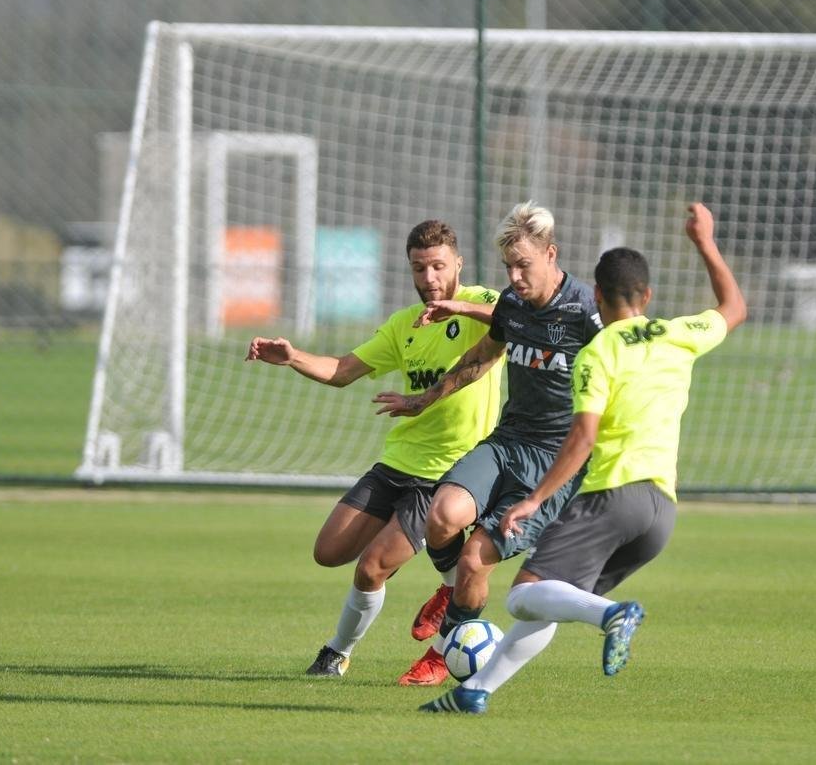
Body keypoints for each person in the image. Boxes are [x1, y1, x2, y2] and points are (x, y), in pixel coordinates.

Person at [418, 202, 747, 714]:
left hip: (609, 495)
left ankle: (613, 615)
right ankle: (472, 693)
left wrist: (537, 500)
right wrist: (705, 241)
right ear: (648, 296)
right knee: (551, 602)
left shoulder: (597, 349)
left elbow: (582, 438)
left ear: (594, 295)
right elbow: (734, 309)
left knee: (525, 595)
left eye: (523, 264)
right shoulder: (679, 333)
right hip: (662, 510)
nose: (515, 276)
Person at [244, 219, 502, 680]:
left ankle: (336, 653)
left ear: (458, 263)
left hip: (445, 473)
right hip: (397, 463)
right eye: (419, 269)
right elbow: (343, 370)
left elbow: (514, 318)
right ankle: (445, 577)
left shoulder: (481, 304)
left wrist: (456, 307)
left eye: (438, 266)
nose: (429, 279)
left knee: (371, 569)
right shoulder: (403, 325)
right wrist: (293, 357)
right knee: (328, 551)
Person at [374, 201, 604, 686]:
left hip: (554, 460)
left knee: (477, 554)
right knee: (441, 516)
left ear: (551, 254)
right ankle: (451, 591)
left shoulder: (586, 311)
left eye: (524, 265)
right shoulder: (513, 305)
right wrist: (424, 399)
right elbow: (484, 353)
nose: (516, 277)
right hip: (507, 441)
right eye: (508, 267)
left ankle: (442, 654)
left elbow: (624, 366)